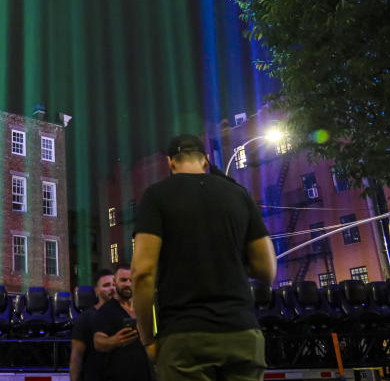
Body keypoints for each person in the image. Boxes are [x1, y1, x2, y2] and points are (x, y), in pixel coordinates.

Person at [131, 134, 277, 381]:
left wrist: (147, 338)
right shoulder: (238, 194)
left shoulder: (156, 196)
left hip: (184, 336)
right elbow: (267, 269)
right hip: (242, 332)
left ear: (170, 162)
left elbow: (142, 272)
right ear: (206, 160)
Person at [92, 263, 152, 381]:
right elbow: (98, 342)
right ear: (115, 282)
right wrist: (115, 341)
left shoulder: (142, 308)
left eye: (131, 280)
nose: (128, 284)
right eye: (123, 280)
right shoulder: (105, 310)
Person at [69, 268, 115, 381]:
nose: (111, 288)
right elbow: (76, 356)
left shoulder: (124, 315)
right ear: (96, 291)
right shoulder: (86, 318)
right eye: (106, 285)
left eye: (114, 284)